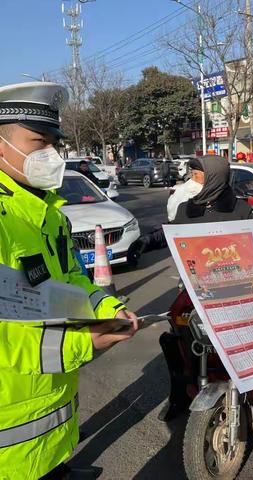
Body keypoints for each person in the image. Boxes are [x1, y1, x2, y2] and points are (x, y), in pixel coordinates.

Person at [0, 82, 139, 479]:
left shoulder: (52, 217)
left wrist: (109, 308)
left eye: (54, 145)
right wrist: (83, 342)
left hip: (51, 434)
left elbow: (74, 280)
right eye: (38, 142)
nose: (52, 156)